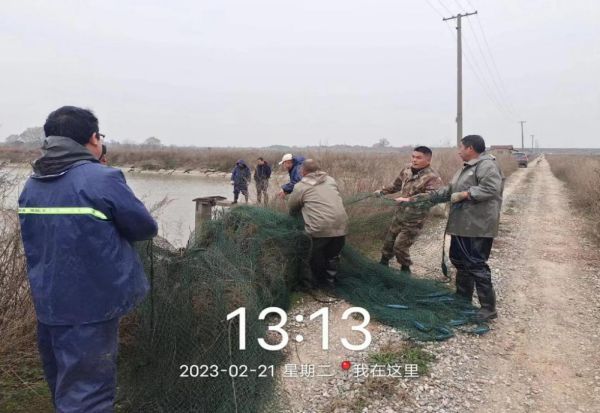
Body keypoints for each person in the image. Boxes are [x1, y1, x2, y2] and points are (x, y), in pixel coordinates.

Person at [18, 106, 158, 412]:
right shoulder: (101, 179)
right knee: (88, 395)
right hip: (92, 307)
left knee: (64, 386)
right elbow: (145, 228)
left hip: (49, 304)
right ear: (94, 138)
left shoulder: (33, 184)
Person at [400, 135, 504, 321]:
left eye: (461, 147)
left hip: (477, 226)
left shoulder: (486, 165)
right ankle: (462, 298)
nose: (458, 151)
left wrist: (465, 194)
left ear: (470, 148)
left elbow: (491, 188)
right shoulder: (467, 168)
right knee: (459, 260)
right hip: (462, 225)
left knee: (476, 264)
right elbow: (448, 190)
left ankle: (488, 308)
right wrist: (416, 199)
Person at [374, 146, 443, 273]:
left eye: (419, 157)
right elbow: (396, 185)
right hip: (399, 215)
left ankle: (405, 270)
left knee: (400, 246)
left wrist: (409, 200)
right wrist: (382, 191)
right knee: (388, 243)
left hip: (415, 219)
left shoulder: (432, 177)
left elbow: (432, 197)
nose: (414, 160)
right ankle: (382, 266)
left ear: (428, 160)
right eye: (413, 156)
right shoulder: (407, 170)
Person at [288, 159, 348, 288]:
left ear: (303, 171)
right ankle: (330, 281)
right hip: (341, 225)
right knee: (333, 255)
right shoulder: (330, 180)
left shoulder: (300, 186)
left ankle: (311, 284)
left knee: (309, 256)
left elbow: (292, 207)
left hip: (319, 228)